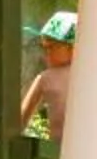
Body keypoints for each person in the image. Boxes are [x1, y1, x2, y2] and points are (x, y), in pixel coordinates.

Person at [17, 10, 76, 142]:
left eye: (52, 47)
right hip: (57, 150)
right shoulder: (45, 78)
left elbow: (19, 121)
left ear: (74, 48)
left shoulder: (46, 78)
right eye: (44, 47)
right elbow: (20, 119)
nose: (46, 53)